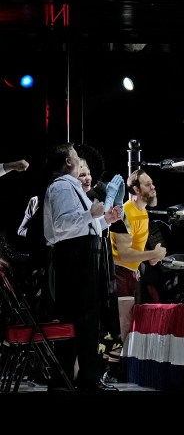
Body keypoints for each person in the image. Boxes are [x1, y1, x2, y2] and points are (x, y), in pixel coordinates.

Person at [42, 143, 123, 391]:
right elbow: (61, 227)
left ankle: (74, 378)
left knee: (86, 320)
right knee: (82, 319)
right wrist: (92, 214)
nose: (78, 159)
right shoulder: (62, 187)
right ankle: (81, 378)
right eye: (75, 155)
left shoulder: (70, 187)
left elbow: (79, 226)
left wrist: (104, 219)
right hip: (75, 258)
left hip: (83, 255)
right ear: (68, 162)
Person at [109, 169, 167, 349]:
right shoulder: (125, 212)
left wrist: (150, 258)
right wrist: (153, 254)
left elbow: (135, 249)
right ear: (136, 190)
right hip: (119, 271)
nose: (153, 187)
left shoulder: (143, 212)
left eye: (152, 183)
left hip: (131, 271)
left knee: (131, 319)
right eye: (147, 185)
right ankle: (126, 364)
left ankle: (129, 360)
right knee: (125, 320)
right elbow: (125, 254)